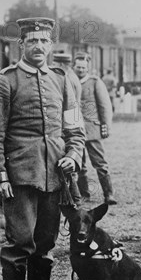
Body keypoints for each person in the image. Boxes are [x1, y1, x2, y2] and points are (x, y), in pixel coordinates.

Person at [0, 17, 85, 280]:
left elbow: (75, 128)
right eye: (32, 41)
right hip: (20, 176)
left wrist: (73, 155)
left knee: (45, 243)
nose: (38, 46)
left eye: (44, 41)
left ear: (51, 45)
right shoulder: (6, 81)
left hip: (55, 176)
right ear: (21, 45)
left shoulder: (62, 78)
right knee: (20, 244)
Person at [73, 53, 117, 205]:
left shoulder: (95, 82)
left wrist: (106, 126)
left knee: (100, 163)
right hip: (75, 131)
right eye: (78, 67)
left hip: (92, 130)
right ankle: (84, 194)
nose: (81, 70)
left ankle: (109, 194)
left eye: (83, 67)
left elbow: (105, 106)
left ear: (88, 68)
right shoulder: (70, 81)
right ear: (74, 66)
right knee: (80, 165)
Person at [53, 52, 84, 205]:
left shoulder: (66, 79)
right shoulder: (73, 77)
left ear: (60, 64)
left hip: (68, 124)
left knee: (68, 169)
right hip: (73, 120)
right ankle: (75, 198)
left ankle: (75, 200)